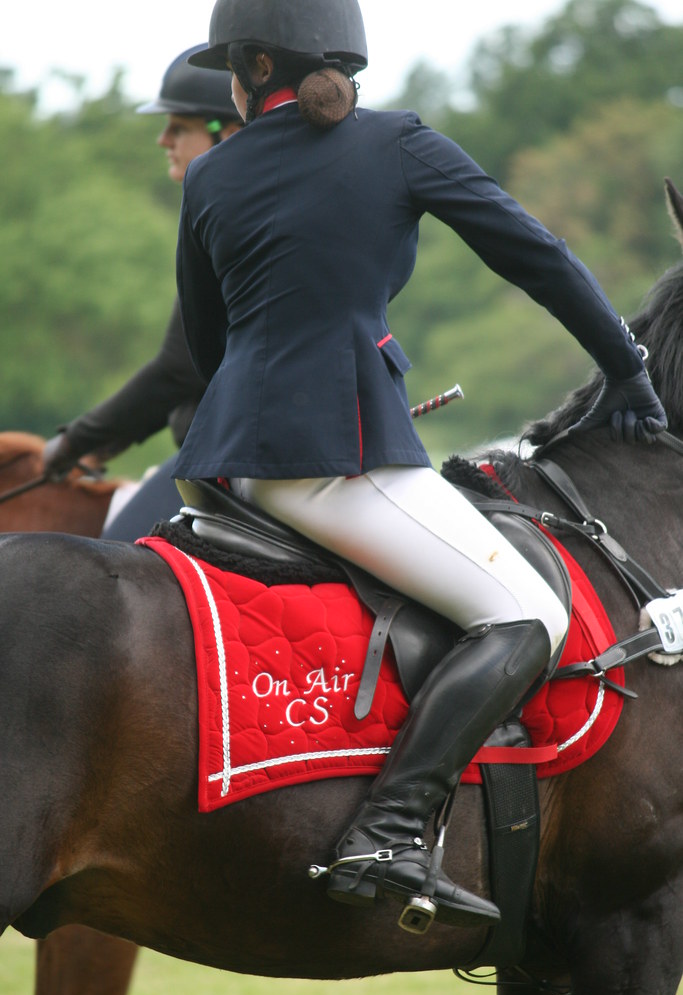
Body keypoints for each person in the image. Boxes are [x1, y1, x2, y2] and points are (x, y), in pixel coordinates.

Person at [173, 0, 667, 932]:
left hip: (231, 462)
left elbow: (210, 343)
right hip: (333, 460)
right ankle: (390, 831)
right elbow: (538, 259)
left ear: (250, 68)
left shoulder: (212, 175)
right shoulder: (396, 142)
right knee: (527, 611)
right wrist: (626, 366)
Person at [41, 44, 243, 541]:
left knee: (111, 556)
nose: (162, 140)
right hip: (219, 444)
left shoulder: (232, 219)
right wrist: (99, 446)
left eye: (180, 127)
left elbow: (178, 369)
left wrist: (71, 445)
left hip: (232, 453)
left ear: (229, 131)